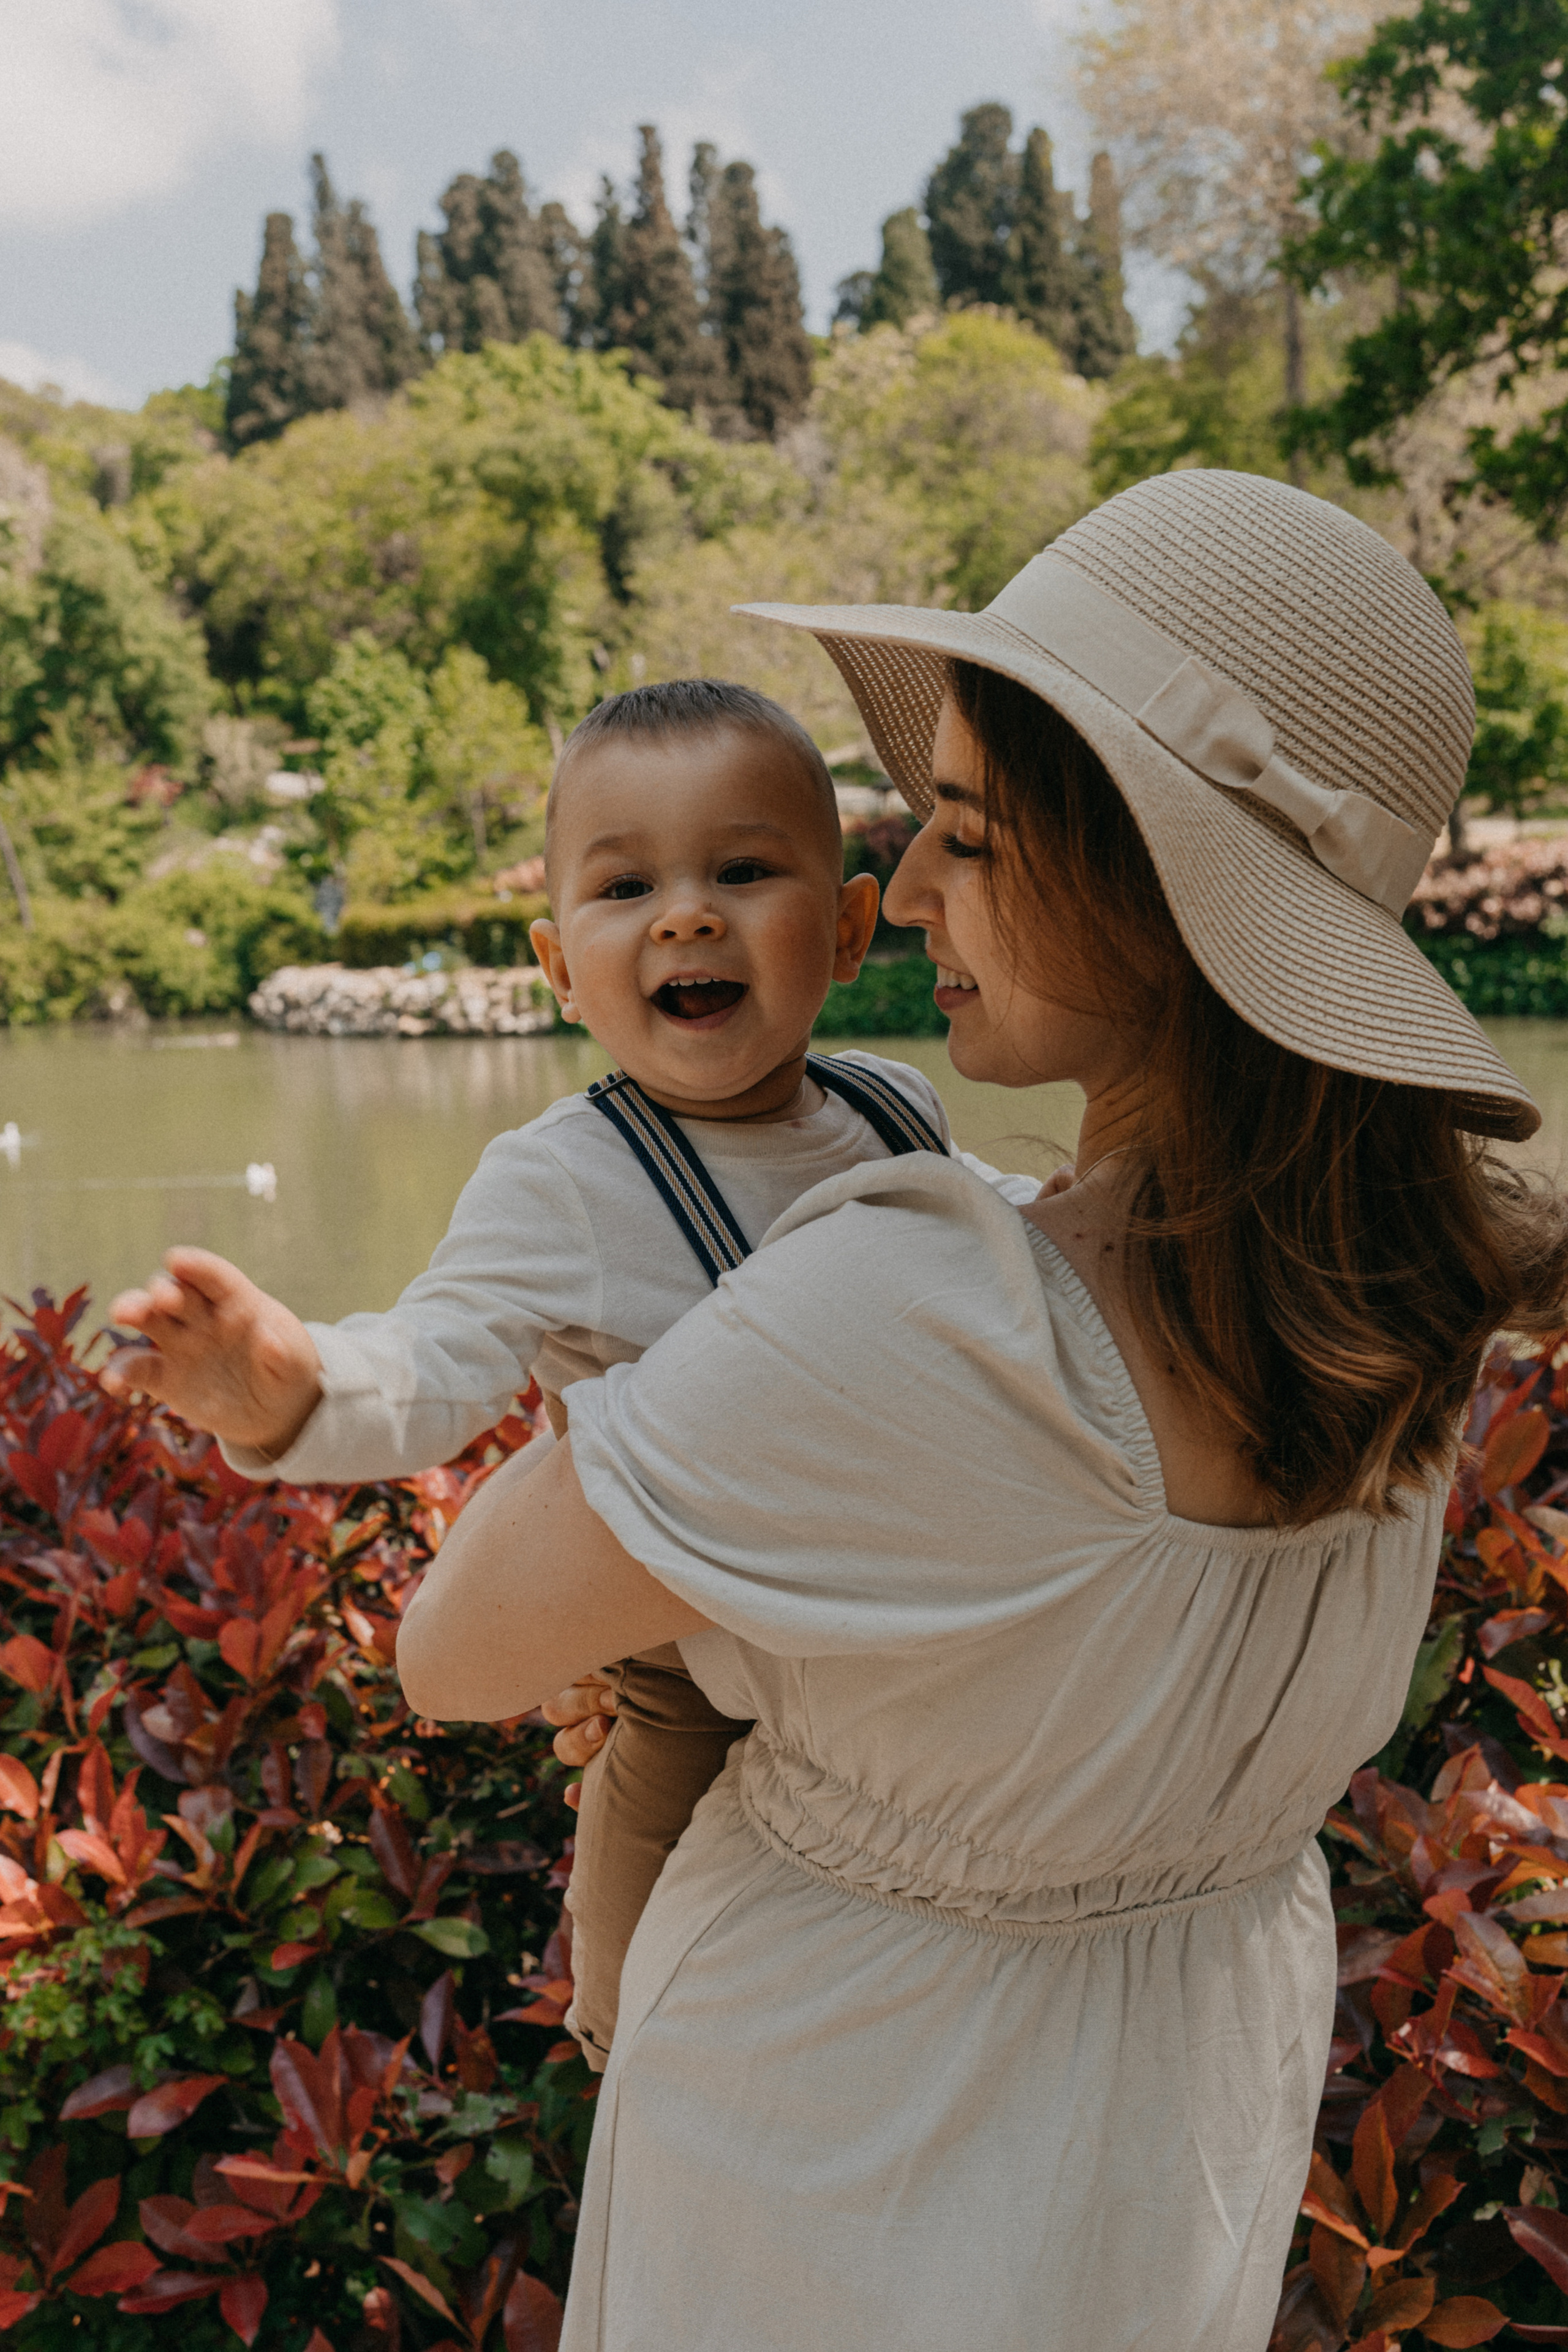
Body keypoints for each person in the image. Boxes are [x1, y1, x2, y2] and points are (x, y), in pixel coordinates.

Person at [396, 468, 1568, 2352]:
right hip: (1170, 2139)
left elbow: (452, 1647)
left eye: (967, 833)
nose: (910, 891)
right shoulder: (1403, 1333)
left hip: (839, 2151)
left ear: (1150, 879)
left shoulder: (929, 1307)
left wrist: (641, 1320)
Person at [102, 678, 1040, 2071]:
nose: (684, 915)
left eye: (740, 869)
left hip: (883, 1635)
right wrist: (292, 1391)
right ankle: (624, 2049)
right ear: (555, 964)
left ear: (847, 928)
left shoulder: (885, 1104)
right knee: (658, 1958)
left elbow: (985, 1229)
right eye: (625, 888)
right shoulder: (567, 1180)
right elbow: (437, 1359)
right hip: (697, 1665)